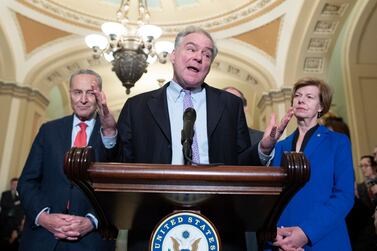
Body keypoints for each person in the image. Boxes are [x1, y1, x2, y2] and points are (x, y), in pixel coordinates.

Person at [99, 26, 293, 251]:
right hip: (153, 223)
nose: (199, 57)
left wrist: (263, 148)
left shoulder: (230, 106)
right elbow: (122, 165)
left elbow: (241, 164)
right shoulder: (137, 107)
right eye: (191, 49)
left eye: (207, 54)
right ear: (173, 56)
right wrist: (111, 134)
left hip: (220, 224)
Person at [17, 69, 115, 251]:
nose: (83, 99)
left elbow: (118, 189)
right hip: (43, 239)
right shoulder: (48, 131)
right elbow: (27, 182)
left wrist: (92, 221)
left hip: (91, 241)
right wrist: (44, 218)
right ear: (70, 93)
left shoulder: (111, 134)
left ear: (100, 96)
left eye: (90, 93)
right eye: (77, 92)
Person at [269, 78, 354, 251]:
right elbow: (270, 196)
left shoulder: (337, 142)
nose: (301, 100)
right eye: (298, 95)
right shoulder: (279, 146)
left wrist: (306, 232)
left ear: (321, 106)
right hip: (282, 240)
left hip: (322, 238)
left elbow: (344, 196)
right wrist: (274, 232)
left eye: (309, 97)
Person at [348, 155, 377, 251]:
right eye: (361, 166)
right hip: (366, 229)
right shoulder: (359, 187)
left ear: (373, 166)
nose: (363, 169)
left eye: (366, 165)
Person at [0, 178, 24, 250]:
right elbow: (3, 205)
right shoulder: (5, 194)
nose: (14, 186)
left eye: (16, 184)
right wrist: (15, 204)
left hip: (15, 223)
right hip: (4, 221)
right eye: (13, 184)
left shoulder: (21, 196)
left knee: (12, 243)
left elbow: (21, 210)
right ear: (11, 185)